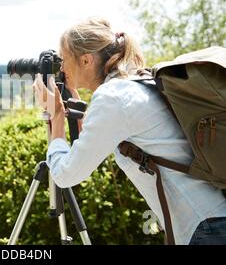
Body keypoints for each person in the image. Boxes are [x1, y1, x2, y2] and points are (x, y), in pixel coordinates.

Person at [33, 17, 226, 245]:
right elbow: (93, 148)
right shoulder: (137, 82)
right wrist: (74, 102)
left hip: (206, 228)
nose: (61, 68)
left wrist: (56, 117)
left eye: (64, 59)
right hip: (213, 216)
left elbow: (66, 175)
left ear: (86, 60)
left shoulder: (112, 98)